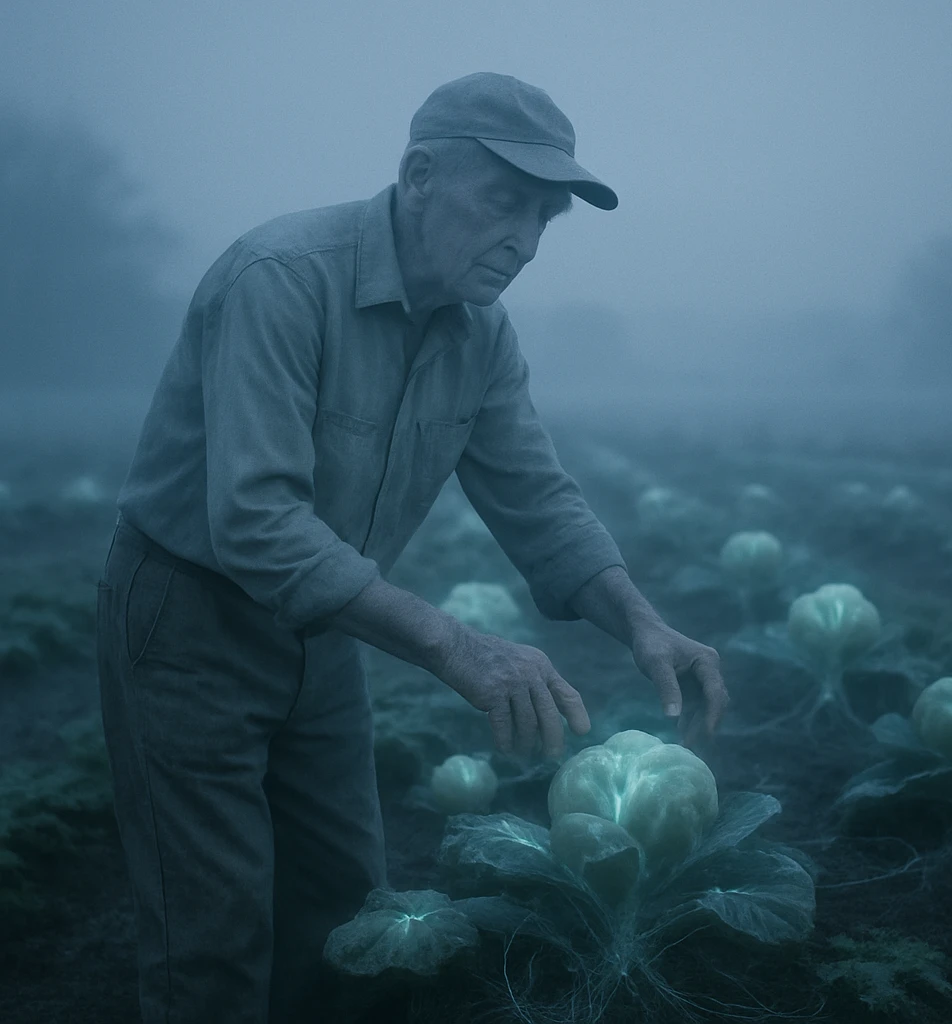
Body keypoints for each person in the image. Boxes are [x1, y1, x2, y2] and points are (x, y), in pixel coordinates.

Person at [94, 71, 730, 1024]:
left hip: (326, 630)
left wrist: (640, 623)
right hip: (189, 622)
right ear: (420, 174)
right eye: (505, 202)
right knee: (213, 933)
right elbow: (258, 524)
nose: (524, 239)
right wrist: (454, 645)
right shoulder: (280, 280)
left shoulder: (481, 332)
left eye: (545, 218)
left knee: (347, 908)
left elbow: (537, 498)